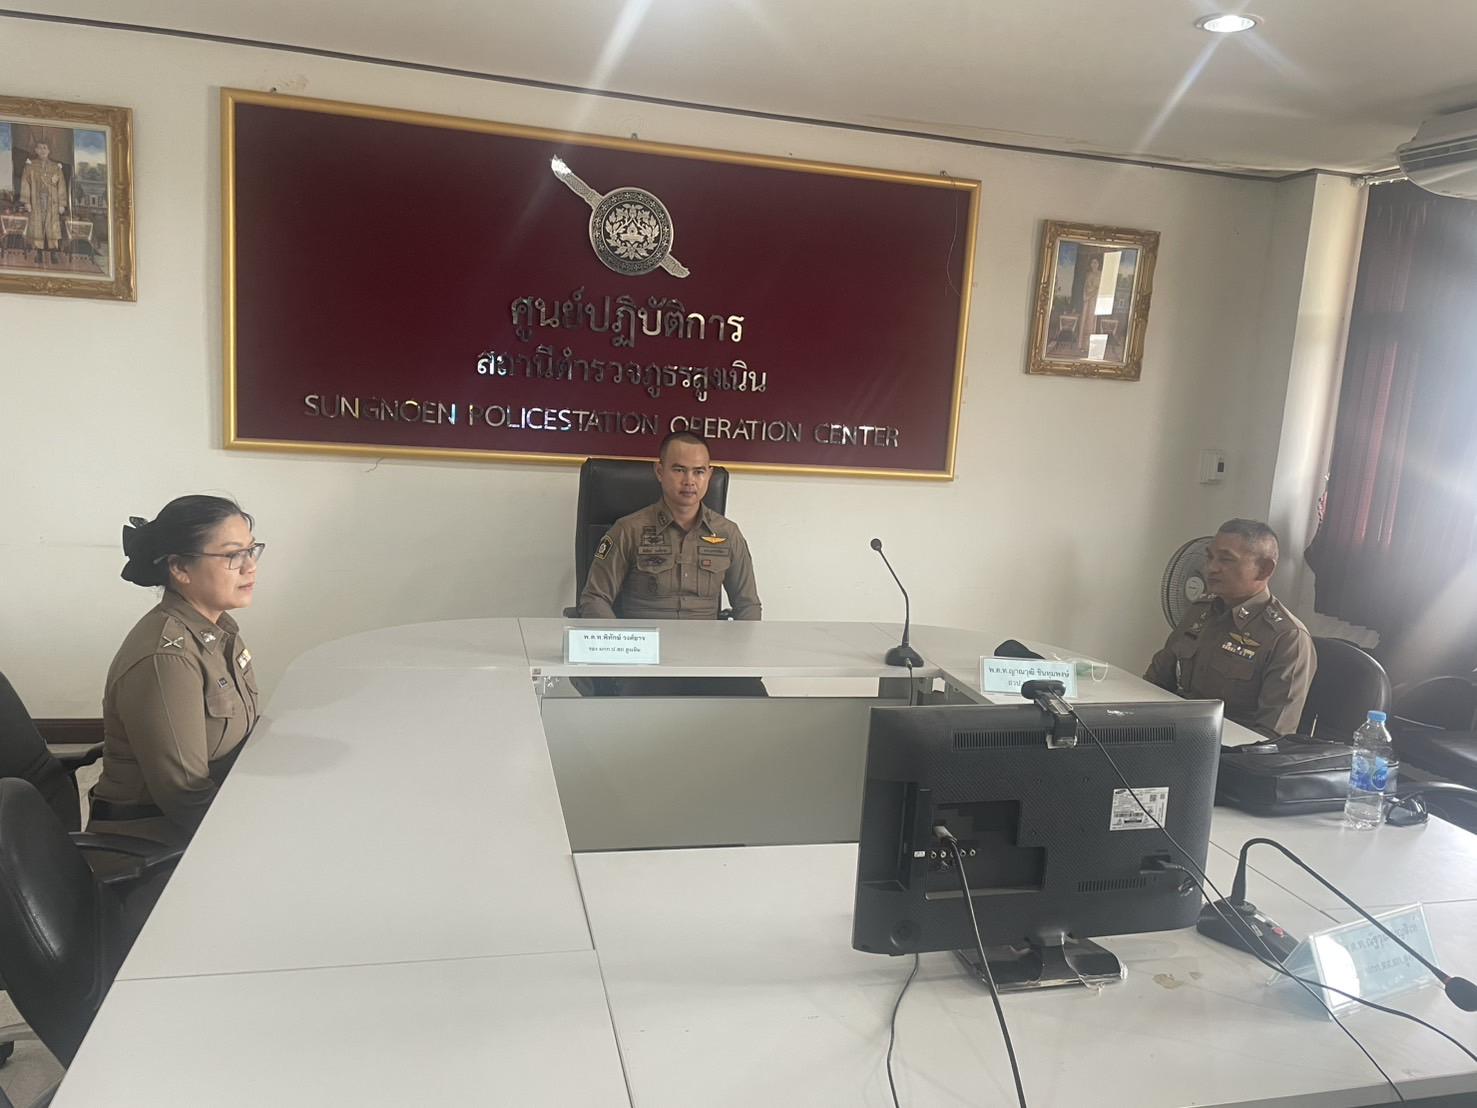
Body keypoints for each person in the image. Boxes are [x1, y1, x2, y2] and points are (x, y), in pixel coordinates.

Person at [89, 496, 264, 846]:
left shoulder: (220, 630)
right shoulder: (167, 660)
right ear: (180, 568)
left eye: (251, 550)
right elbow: (186, 799)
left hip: (216, 807)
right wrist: (261, 836)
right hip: (153, 842)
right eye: (232, 555)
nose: (250, 567)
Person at [1145, 519, 1316, 739]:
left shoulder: (1286, 637)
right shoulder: (1200, 609)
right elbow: (1156, 681)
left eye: (1226, 560)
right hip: (1176, 735)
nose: (1211, 568)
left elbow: (1270, 736)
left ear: (1264, 569)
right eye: (1210, 557)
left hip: (1229, 751)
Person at [579, 430, 761, 621]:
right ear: (660, 472)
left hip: (706, 639)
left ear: (709, 475)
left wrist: (742, 640)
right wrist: (619, 638)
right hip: (646, 637)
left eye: (698, 472)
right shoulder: (628, 530)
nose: (689, 481)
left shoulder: (728, 533)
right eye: (679, 470)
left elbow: (748, 605)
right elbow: (595, 598)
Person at [19, 141, 66, 265]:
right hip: (36, 201)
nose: (42, 150)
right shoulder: (30, 166)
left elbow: (61, 185)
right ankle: (38, 253)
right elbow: (25, 184)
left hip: (52, 202)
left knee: (52, 226)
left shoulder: (56, 167)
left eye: (45, 148)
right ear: (36, 150)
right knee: (37, 226)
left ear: (49, 151)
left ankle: (54, 252)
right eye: (39, 148)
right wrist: (27, 201)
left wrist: (62, 204)